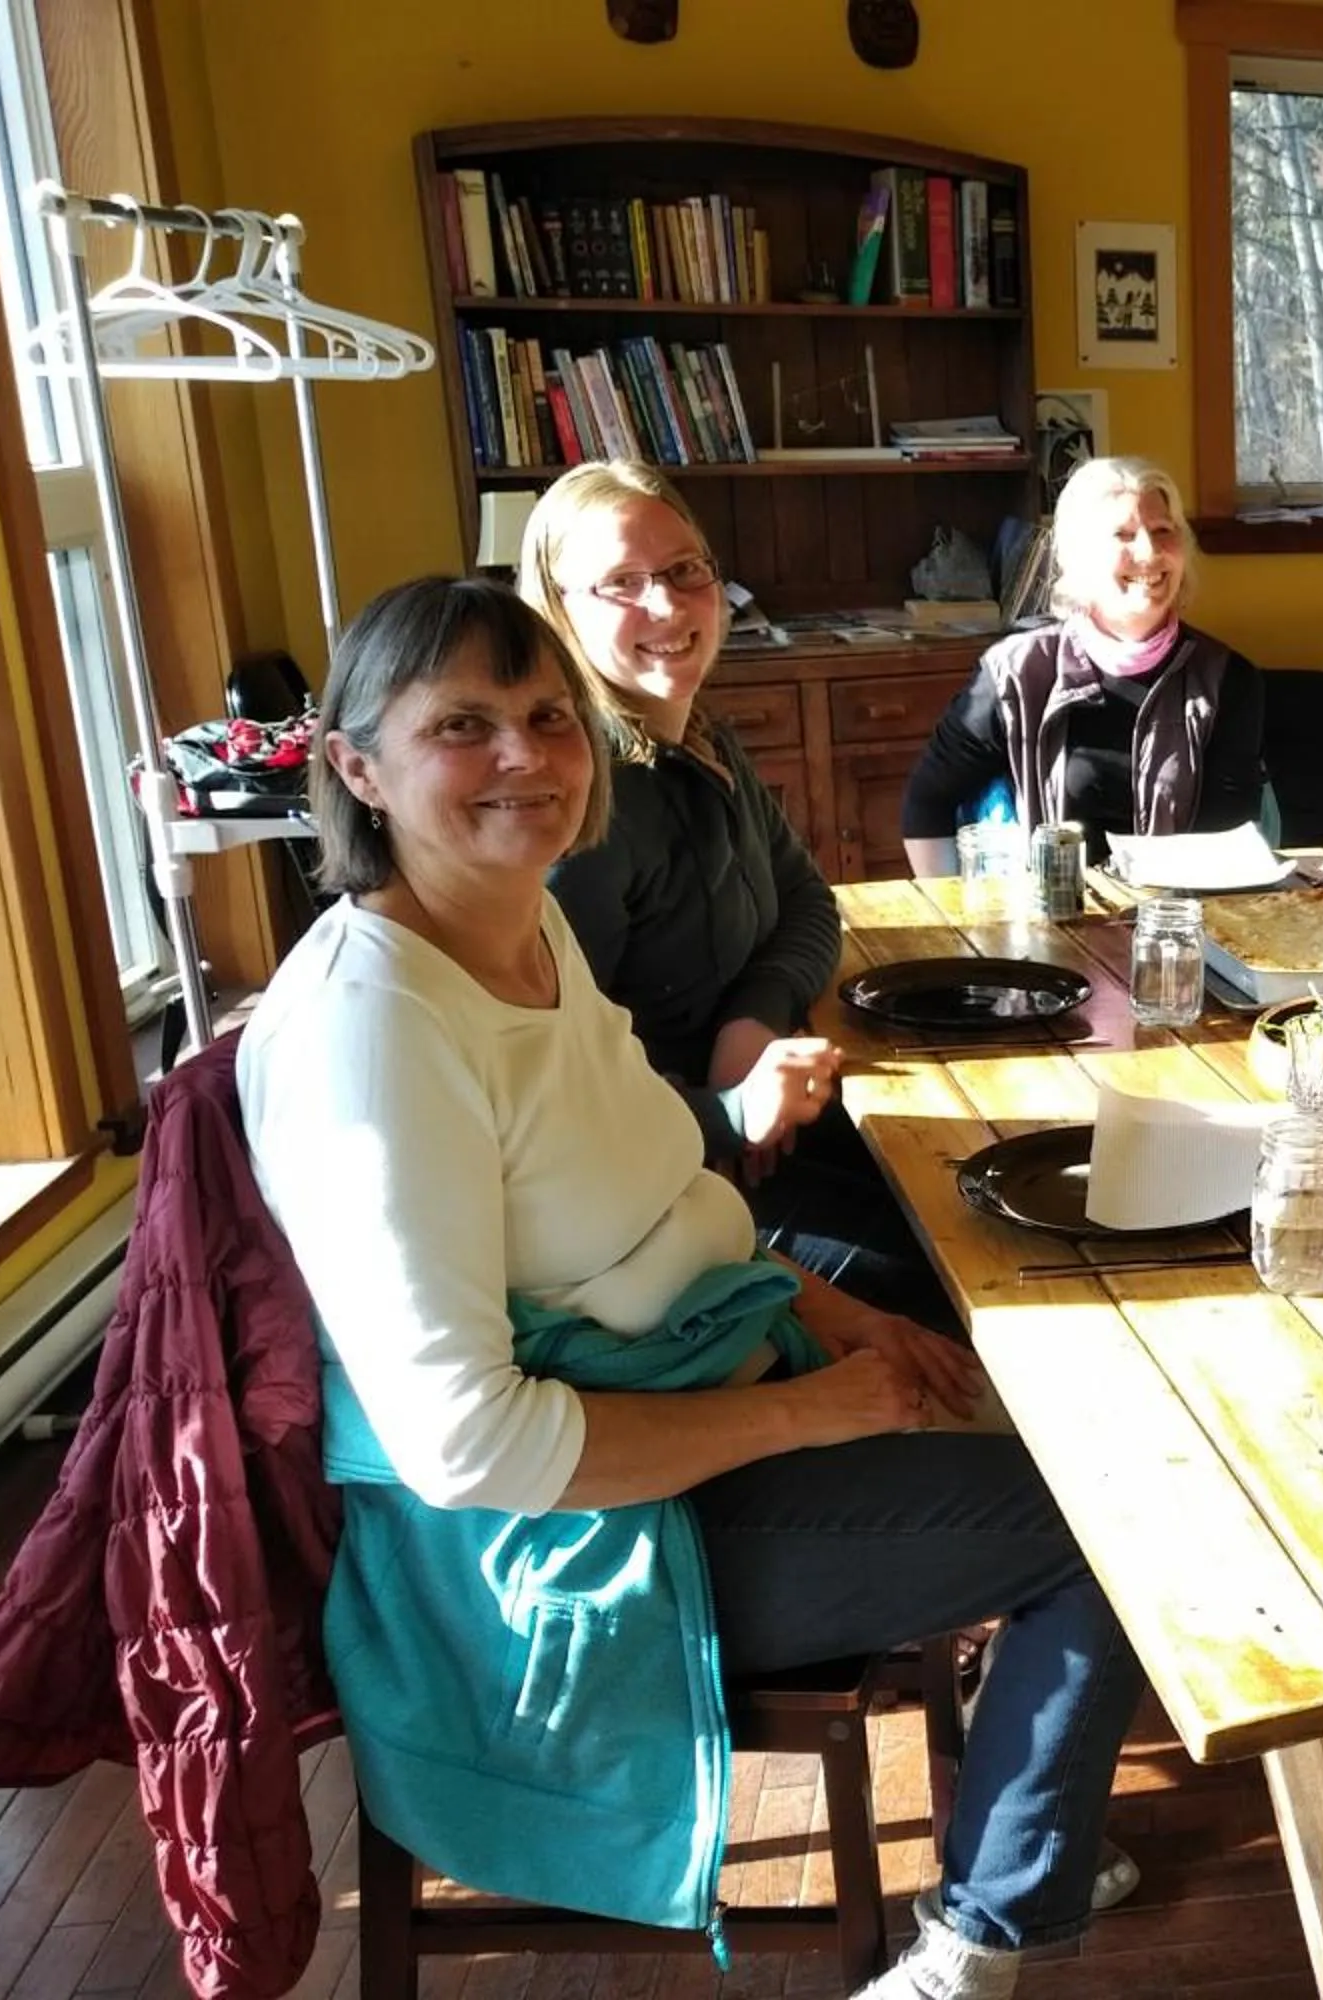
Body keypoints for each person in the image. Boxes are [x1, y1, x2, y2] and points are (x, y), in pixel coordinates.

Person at [238, 578, 1145, 2000]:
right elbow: (471, 1450)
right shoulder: (375, 1030)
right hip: (558, 1555)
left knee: (1079, 1410)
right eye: (463, 726)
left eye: (548, 718)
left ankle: (1027, 1778)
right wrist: (820, 1414)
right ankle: (982, 1943)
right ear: (356, 766)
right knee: (1112, 1530)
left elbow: (665, 1205)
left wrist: (833, 1317)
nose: (529, 757)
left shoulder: (524, 939)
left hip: (696, 1400)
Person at [518, 460, 948, 1331]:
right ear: (558, 609)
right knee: (951, 1271)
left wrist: (749, 1023)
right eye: (622, 585)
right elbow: (556, 1099)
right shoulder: (585, 813)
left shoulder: (697, 738)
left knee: (960, 1176)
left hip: (751, 1127)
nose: (669, 608)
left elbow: (809, 904)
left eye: (686, 571)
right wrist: (723, 1111)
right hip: (660, 1202)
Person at [900, 455, 1265, 873]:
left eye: (1164, 530)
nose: (1149, 551)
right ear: (1079, 555)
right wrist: (957, 924)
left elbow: (1229, 841)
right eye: (1123, 534)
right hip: (1046, 923)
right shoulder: (1015, 674)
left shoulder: (1225, 680)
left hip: (1174, 924)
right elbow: (927, 803)